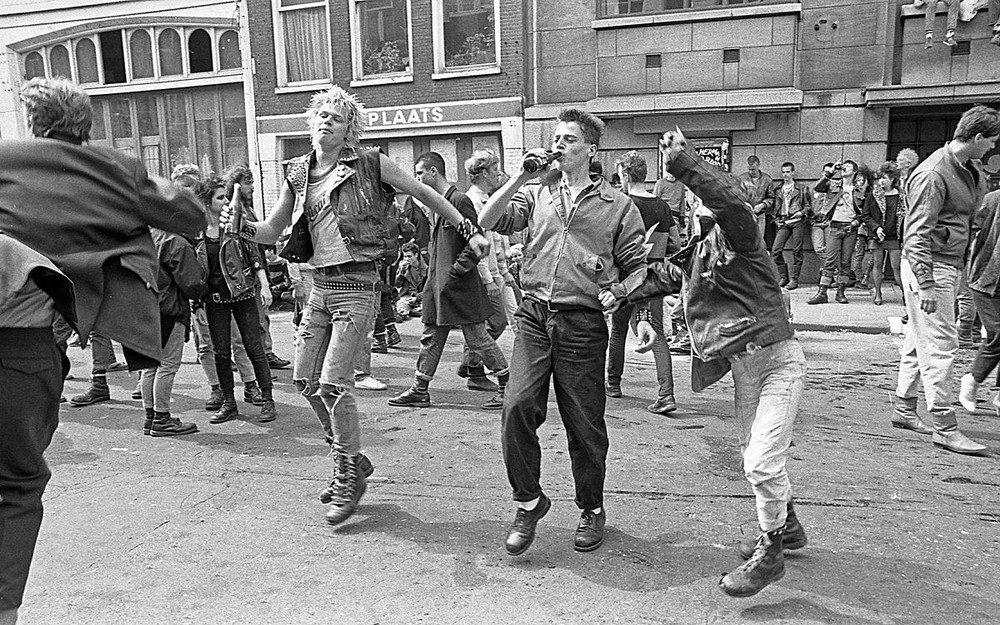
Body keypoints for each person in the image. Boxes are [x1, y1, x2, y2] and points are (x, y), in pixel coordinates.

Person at [220, 86, 490, 526]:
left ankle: (347, 472)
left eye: (337, 117)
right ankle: (352, 459)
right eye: (322, 115)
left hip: (357, 285)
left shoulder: (369, 162)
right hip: (318, 286)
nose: (327, 121)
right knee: (305, 381)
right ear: (311, 123)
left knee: (333, 384)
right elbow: (271, 230)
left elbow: (426, 194)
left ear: (349, 130)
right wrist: (240, 228)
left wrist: (468, 228)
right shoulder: (298, 172)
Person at [0, 77, 204, 625]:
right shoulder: (111, 169)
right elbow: (190, 216)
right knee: (18, 484)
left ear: (34, 122)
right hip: (21, 351)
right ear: (85, 126)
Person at [637, 127, 807, 598]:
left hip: (778, 363)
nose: (702, 213)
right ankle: (789, 525)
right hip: (746, 371)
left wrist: (683, 164)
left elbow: (729, 204)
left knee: (761, 463)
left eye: (706, 205)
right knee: (758, 458)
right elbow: (660, 275)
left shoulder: (745, 237)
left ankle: (771, 554)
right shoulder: (702, 252)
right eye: (698, 209)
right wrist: (607, 289)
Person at [478, 108, 654, 557]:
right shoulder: (537, 192)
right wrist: (520, 177)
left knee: (584, 424)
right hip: (534, 315)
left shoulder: (618, 205)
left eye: (569, 139)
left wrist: (629, 303)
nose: (559, 145)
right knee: (516, 406)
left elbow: (638, 267)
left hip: (582, 323)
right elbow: (489, 221)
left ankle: (591, 508)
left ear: (591, 149)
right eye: (556, 137)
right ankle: (528, 502)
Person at [891, 104, 1000, 454]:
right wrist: (925, 283)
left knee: (917, 340)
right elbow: (915, 235)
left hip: (945, 264)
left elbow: (971, 215)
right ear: (978, 136)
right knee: (941, 345)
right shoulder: (934, 173)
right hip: (931, 266)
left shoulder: (967, 168)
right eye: (991, 140)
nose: (993, 147)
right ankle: (944, 425)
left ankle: (904, 408)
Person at [387, 152, 509, 410]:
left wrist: (455, 273)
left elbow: (475, 243)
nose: (417, 178)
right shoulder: (439, 203)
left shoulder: (459, 201)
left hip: (458, 288)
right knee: (431, 336)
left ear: (433, 172)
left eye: (420, 173)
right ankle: (419, 389)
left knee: (478, 338)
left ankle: (507, 387)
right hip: (439, 288)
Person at [198, 175, 277, 424]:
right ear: (206, 202)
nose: (225, 202)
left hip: (243, 293)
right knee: (221, 353)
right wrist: (197, 302)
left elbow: (255, 254)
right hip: (214, 299)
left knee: (254, 348)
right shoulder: (196, 232)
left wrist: (265, 285)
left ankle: (268, 400)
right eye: (219, 198)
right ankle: (229, 403)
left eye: (225, 197)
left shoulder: (235, 223)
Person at [605, 150, 679, 415]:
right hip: (653, 276)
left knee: (619, 330)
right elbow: (676, 242)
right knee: (656, 331)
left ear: (626, 175)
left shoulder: (621, 203)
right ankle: (666, 393)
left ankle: (613, 383)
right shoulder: (662, 206)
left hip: (626, 276)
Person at [138, 221, 208, 436]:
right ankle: (162, 418)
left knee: (150, 367)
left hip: (144, 307)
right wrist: (202, 291)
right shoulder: (177, 242)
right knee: (167, 365)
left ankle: (150, 417)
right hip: (168, 307)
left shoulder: (147, 235)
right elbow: (192, 283)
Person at [458, 148, 511, 392]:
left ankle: (472, 365)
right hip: (481, 274)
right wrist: (488, 279)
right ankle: (474, 366)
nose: (498, 173)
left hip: (493, 271)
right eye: (494, 169)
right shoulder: (471, 201)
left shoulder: (489, 198)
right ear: (483, 174)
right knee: (494, 322)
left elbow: (496, 239)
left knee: (488, 324)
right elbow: (475, 244)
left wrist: (502, 270)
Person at [960, 187, 1000, 414]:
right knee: (997, 333)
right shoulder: (993, 200)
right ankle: (972, 380)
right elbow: (968, 229)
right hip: (986, 278)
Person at [807, 159, 864, 305]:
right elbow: (818, 187)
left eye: (849, 166)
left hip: (850, 229)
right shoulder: (833, 184)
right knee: (829, 260)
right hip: (834, 227)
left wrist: (856, 222)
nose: (845, 167)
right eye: (844, 166)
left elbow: (864, 212)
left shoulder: (859, 190)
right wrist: (831, 171)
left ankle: (841, 292)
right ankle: (822, 292)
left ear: (854, 171)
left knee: (845, 262)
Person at [861, 162, 906, 306]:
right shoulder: (873, 195)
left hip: (894, 236)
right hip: (877, 236)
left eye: (884, 178)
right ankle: (878, 294)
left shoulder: (901, 195)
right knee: (877, 265)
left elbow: (907, 215)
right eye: (879, 178)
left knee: (896, 267)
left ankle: (905, 294)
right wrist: (876, 228)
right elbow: (866, 215)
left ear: (892, 179)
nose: (881, 181)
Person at [769, 161, 811, 290]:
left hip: (797, 221)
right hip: (784, 222)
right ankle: (784, 277)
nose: (785, 175)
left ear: (793, 173)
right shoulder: (778, 189)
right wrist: (776, 219)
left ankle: (794, 279)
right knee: (776, 250)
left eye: (788, 172)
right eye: (783, 172)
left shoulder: (801, 188)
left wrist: (801, 213)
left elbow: (807, 206)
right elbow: (775, 207)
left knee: (797, 251)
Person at [737, 155, 775, 248]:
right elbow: (737, 196)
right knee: (745, 241)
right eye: (749, 169)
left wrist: (763, 205)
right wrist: (745, 204)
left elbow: (771, 197)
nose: (751, 172)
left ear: (759, 165)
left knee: (759, 242)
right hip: (745, 214)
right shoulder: (741, 178)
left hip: (760, 215)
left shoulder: (767, 179)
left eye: (753, 169)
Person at [394, 241, 427, 319]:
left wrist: (417, 297)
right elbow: (397, 285)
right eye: (405, 256)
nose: (407, 259)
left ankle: (416, 311)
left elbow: (430, 288)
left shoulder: (425, 268)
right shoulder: (403, 265)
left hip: (421, 296)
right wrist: (401, 272)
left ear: (416, 255)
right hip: (407, 296)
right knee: (401, 305)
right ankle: (404, 312)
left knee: (427, 307)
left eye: (409, 256)